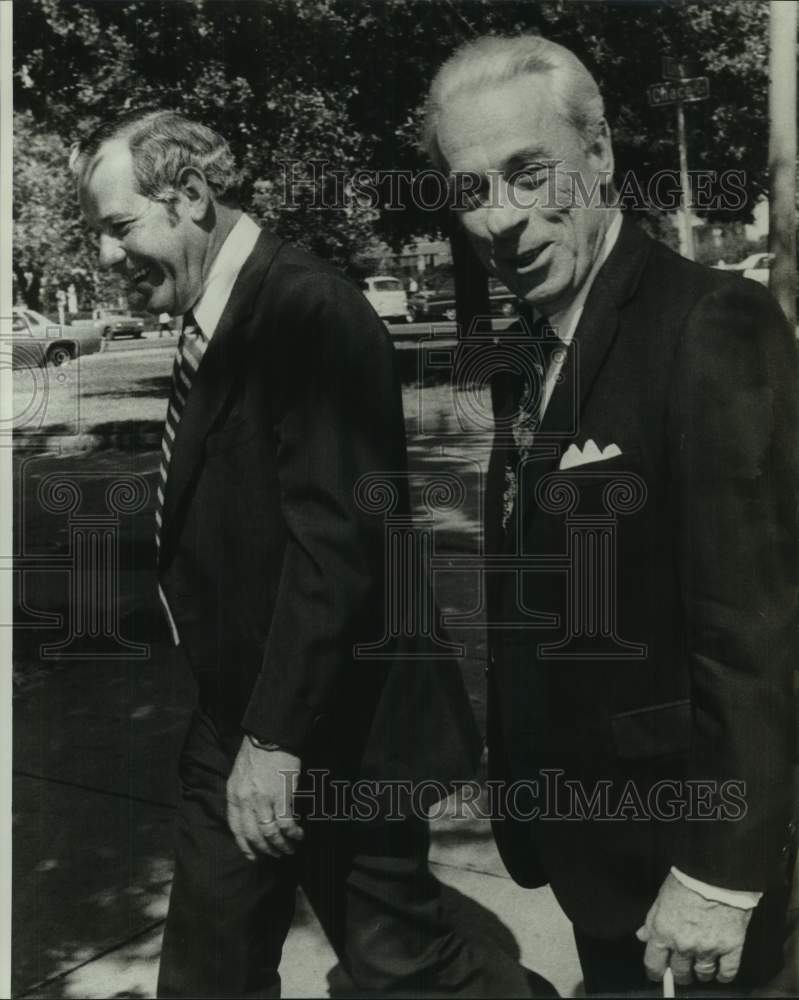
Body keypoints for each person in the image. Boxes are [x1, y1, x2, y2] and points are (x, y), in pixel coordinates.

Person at [70, 109, 532, 998]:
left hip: (337, 729)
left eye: (120, 227)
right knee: (208, 970)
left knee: (403, 967)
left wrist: (276, 743)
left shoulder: (308, 310)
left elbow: (341, 546)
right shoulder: (221, 311)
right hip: (235, 718)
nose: (106, 256)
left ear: (191, 196)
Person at [423, 34, 798, 996]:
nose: (501, 219)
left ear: (599, 159)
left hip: (693, 875)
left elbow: (753, 631)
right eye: (471, 191)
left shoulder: (709, 326)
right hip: (595, 859)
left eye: (527, 173)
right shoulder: (534, 349)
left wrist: (720, 871)